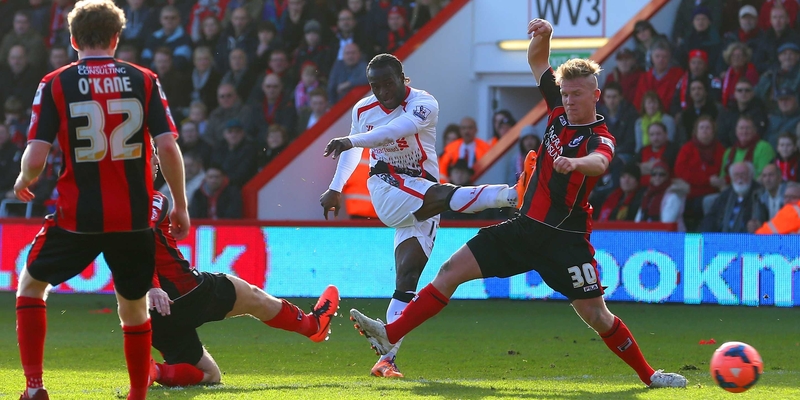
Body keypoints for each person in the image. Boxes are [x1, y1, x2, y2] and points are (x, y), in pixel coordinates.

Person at [347, 19, 687, 389]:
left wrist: (574, 164)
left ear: (595, 95)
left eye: (577, 94)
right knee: (449, 272)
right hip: (523, 228)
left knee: (597, 316)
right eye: (566, 93)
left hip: (564, 241)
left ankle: (650, 376)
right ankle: (388, 337)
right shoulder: (558, 110)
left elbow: (601, 162)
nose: (569, 101)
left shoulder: (598, 138)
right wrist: (545, 37)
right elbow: (539, 64)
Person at [12, 1, 190, 399]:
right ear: (116, 38)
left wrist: (25, 178)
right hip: (134, 216)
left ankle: (35, 387)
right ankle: (137, 395)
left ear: (73, 39)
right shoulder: (144, 79)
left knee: (31, 286)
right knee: (133, 307)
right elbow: (167, 147)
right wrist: (180, 202)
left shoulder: (56, 82)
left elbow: (37, 155)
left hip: (79, 216)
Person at [320, 53, 517, 378]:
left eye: (388, 83)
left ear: (403, 79)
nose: (382, 91)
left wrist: (350, 139)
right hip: (386, 184)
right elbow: (355, 151)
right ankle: (511, 195)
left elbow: (398, 128)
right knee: (445, 196)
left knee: (408, 277)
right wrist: (335, 187)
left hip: (420, 187)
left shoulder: (424, 103)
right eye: (375, 85)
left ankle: (387, 359)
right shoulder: (362, 109)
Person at [146, 154, 340, 387]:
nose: (157, 160)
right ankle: (313, 327)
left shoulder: (111, 206)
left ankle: (154, 371)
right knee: (252, 296)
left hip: (147, 312)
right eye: (152, 155)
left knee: (210, 376)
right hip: (181, 292)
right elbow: (140, 245)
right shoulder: (152, 200)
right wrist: (153, 287)